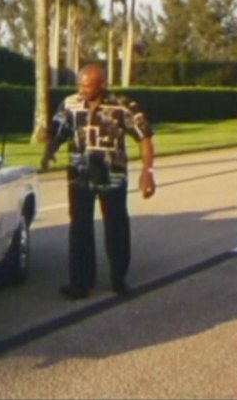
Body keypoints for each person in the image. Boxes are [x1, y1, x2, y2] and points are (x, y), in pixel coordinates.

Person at [41, 63, 156, 300]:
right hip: (80, 177)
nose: (82, 90)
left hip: (112, 178)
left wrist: (148, 171)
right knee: (79, 228)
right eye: (80, 85)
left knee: (116, 227)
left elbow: (144, 138)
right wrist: (48, 153)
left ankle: (118, 279)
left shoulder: (123, 106)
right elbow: (58, 132)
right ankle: (80, 282)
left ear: (102, 84)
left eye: (88, 86)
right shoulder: (70, 104)